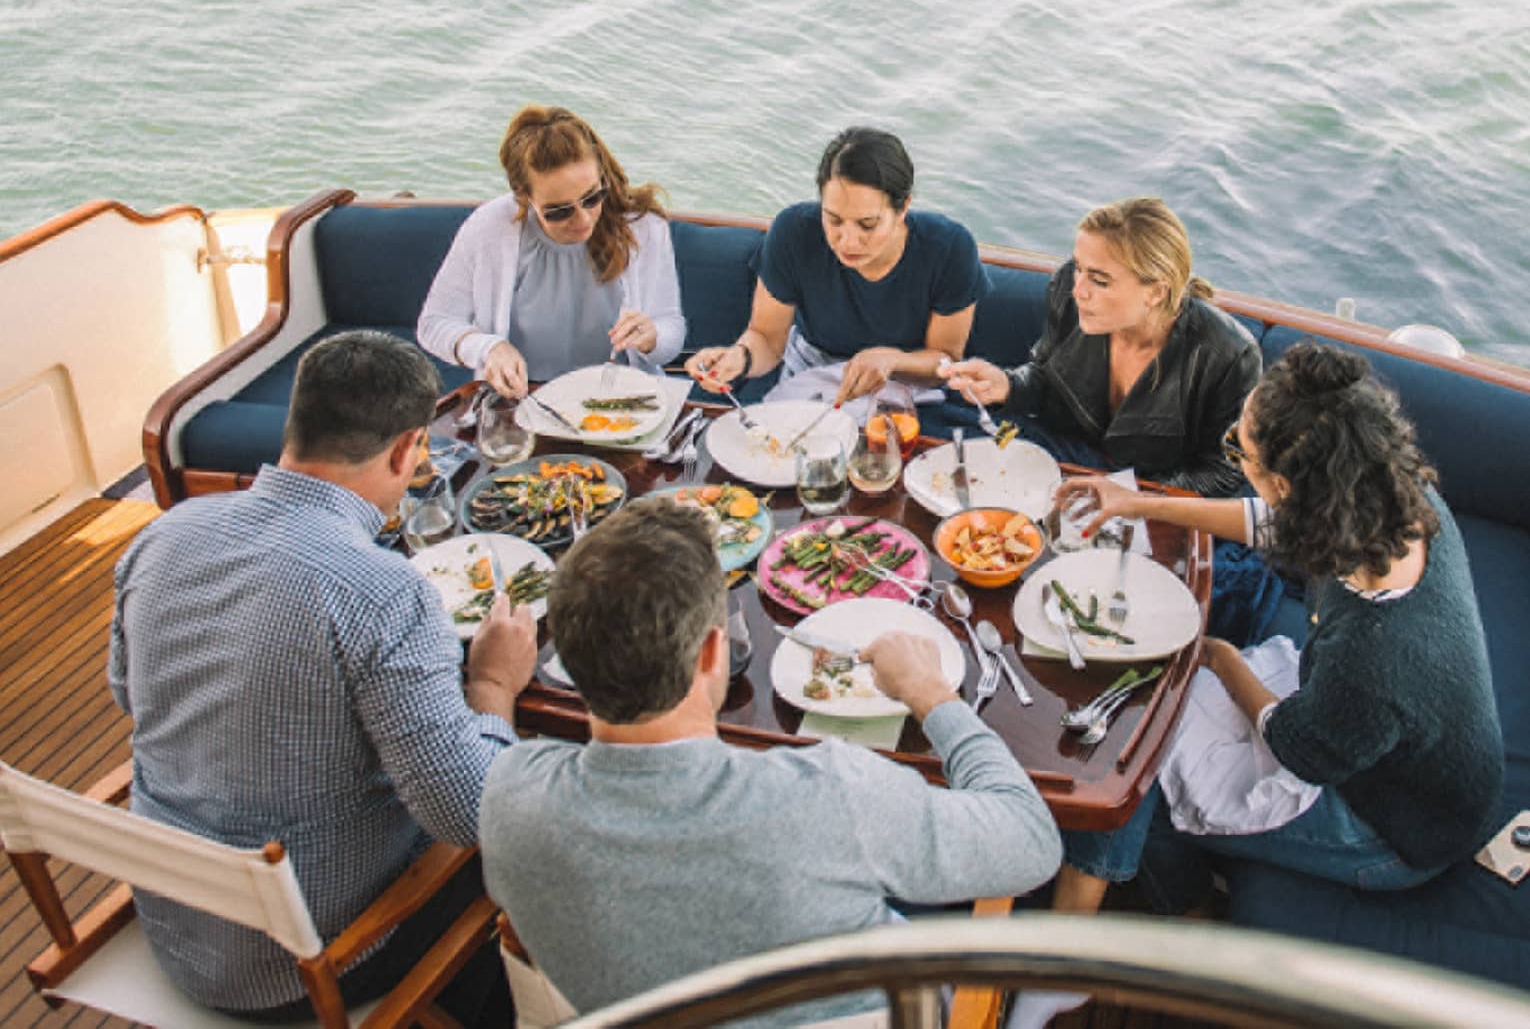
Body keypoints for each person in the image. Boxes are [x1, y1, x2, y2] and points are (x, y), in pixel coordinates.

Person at [479, 495, 1063, 1025]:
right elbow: (1032, 842)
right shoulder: (833, 796)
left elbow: (487, 763)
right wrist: (931, 694)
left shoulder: (508, 802)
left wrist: (490, 685)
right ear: (715, 651)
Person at [109, 331, 539, 1019]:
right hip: (303, 963)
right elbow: (467, 813)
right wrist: (493, 686)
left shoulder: (163, 534)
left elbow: (130, 695)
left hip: (174, 920)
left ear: (296, 423)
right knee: (529, 849)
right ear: (406, 450)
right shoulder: (383, 592)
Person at [1049, 341, 1504, 916]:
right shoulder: (1397, 502)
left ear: (1287, 484)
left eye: (1237, 447)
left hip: (1395, 823)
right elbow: (1273, 524)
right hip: (1372, 730)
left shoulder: (1374, 654)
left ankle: (1174, 907)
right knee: (1151, 724)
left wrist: (1216, 656)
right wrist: (1138, 504)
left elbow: (1298, 747)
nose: (1233, 453)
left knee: (1140, 776)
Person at [941, 196, 1259, 496]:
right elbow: (1045, 378)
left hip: (1155, 495)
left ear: (1156, 293)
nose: (1078, 289)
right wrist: (1007, 385)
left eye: (1100, 280)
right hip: (1064, 463)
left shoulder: (1229, 354)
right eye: (1079, 267)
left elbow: (1224, 472)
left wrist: (1133, 496)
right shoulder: (1067, 288)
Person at [684, 127, 988, 408]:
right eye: (834, 220)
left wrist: (893, 360)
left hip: (907, 380)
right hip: (811, 372)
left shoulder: (949, 247)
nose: (848, 241)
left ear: (903, 209)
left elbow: (944, 361)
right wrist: (740, 357)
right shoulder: (794, 231)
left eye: (867, 225)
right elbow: (765, 337)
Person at [417, 105, 684, 398]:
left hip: (624, 404)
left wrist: (651, 338)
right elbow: (434, 324)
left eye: (593, 197)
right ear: (524, 197)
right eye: (558, 211)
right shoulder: (489, 228)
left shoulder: (643, 226)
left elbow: (671, 331)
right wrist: (488, 348)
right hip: (522, 402)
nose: (583, 220)